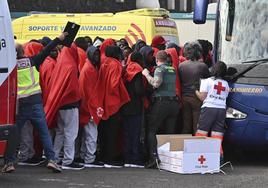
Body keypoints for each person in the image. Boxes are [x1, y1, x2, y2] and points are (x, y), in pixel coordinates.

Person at [2, 33, 67, 173]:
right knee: (44, 133)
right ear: (23, 51)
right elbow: (46, 50)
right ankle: (52, 160)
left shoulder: (11, 67)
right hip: (36, 102)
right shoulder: (33, 61)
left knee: (14, 135)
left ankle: (9, 162)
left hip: (19, 105)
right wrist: (58, 39)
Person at [89, 45, 130, 167]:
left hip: (102, 99)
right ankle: (110, 158)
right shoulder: (116, 64)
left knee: (104, 130)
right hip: (113, 101)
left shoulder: (104, 62)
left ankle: (103, 156)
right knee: (112, 131)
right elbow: (114, 84)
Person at [44, 43, 84, 170]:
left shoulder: (60, 63)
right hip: (70, 105)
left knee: (60, 132)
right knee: (70, 133)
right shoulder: (71, 66)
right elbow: (73, 88)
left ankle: (54, 157)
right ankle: (68, 160)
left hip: (60, 104)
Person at [142, 50, 180, 168]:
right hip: (174, 104)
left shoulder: (159, 69)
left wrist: (146, 74)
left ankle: (154, 158)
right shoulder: (172, 69)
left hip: (161, 103)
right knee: (169, 131)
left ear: (156, 59)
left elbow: (156, 84)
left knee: (152, 129)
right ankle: (168, 159)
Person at [195, 61, 229, 162]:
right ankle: (218, 159)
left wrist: (195, 90)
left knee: (201, 133)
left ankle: (198, 157)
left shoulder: (207, 81)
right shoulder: (226, 84)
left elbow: (202, 97)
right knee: (217, 135)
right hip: (221, 110)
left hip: (209, 109)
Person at [78, 46, 103, 167]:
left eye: (98, 55)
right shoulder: (89, 69)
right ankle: (89, 158)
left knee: (88, 134)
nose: (97, 57)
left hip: (88, 106)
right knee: (92, 134)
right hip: (90, 107)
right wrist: (92, 109)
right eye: (95, 55)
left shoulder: (89, 67)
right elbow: (90, 92)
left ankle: (85, 156)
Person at [179, 41, 210, 135]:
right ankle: (196, 147)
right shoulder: (203, 66)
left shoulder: (181, 66)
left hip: (184, 98)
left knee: (186, 125)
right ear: (199, 52)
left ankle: (183, 146)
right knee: (197, 125)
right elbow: (207, 81)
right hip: (197, 98)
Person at [122, 52, 145, 167]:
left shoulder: (126, 69)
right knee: (135, 133)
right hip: (135, 106)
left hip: (125, 105)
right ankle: (134, 158)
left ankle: (127, 157)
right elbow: (139, 90)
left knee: (127, 133)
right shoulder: (137, 71)